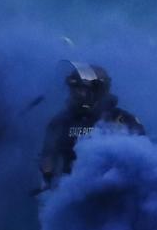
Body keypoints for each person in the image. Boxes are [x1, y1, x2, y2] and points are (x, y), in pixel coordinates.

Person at [38, 61, 144, 189]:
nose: (76, 94)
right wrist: (48, 178)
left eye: (82, 90)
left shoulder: (122, 120)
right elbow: (48, 154)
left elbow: (141, 160)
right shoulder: (60, 122)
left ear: (99, 91)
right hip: (72, 192)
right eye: (74, 89)